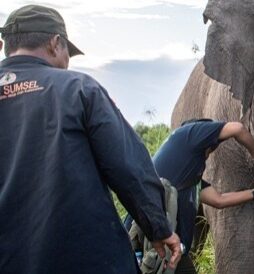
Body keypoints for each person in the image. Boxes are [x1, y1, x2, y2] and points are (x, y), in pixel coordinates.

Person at [0, 5, 181, 274]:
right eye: (67, 54)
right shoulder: (79, 89)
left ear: (6, 46)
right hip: (88, 259)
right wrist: (158, 227)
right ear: (55, 43)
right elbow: (128, 167)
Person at [151, 119, 254, 274]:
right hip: (155, 248)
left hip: (174, 251)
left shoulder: (187, 177)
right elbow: (236, 128)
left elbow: (219, 200)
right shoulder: (190, 135)